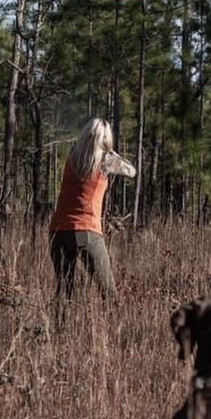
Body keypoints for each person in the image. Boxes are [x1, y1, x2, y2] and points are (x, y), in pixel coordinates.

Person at [49, 118, 131, 306]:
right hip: (87, 230)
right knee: (110, 296)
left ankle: (59, 333)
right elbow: (131, 171)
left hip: (58, 230)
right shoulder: (106, 161)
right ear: (105, 139)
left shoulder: (72, 158)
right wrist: (111, 152)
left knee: (64, 296)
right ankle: (115, 333)